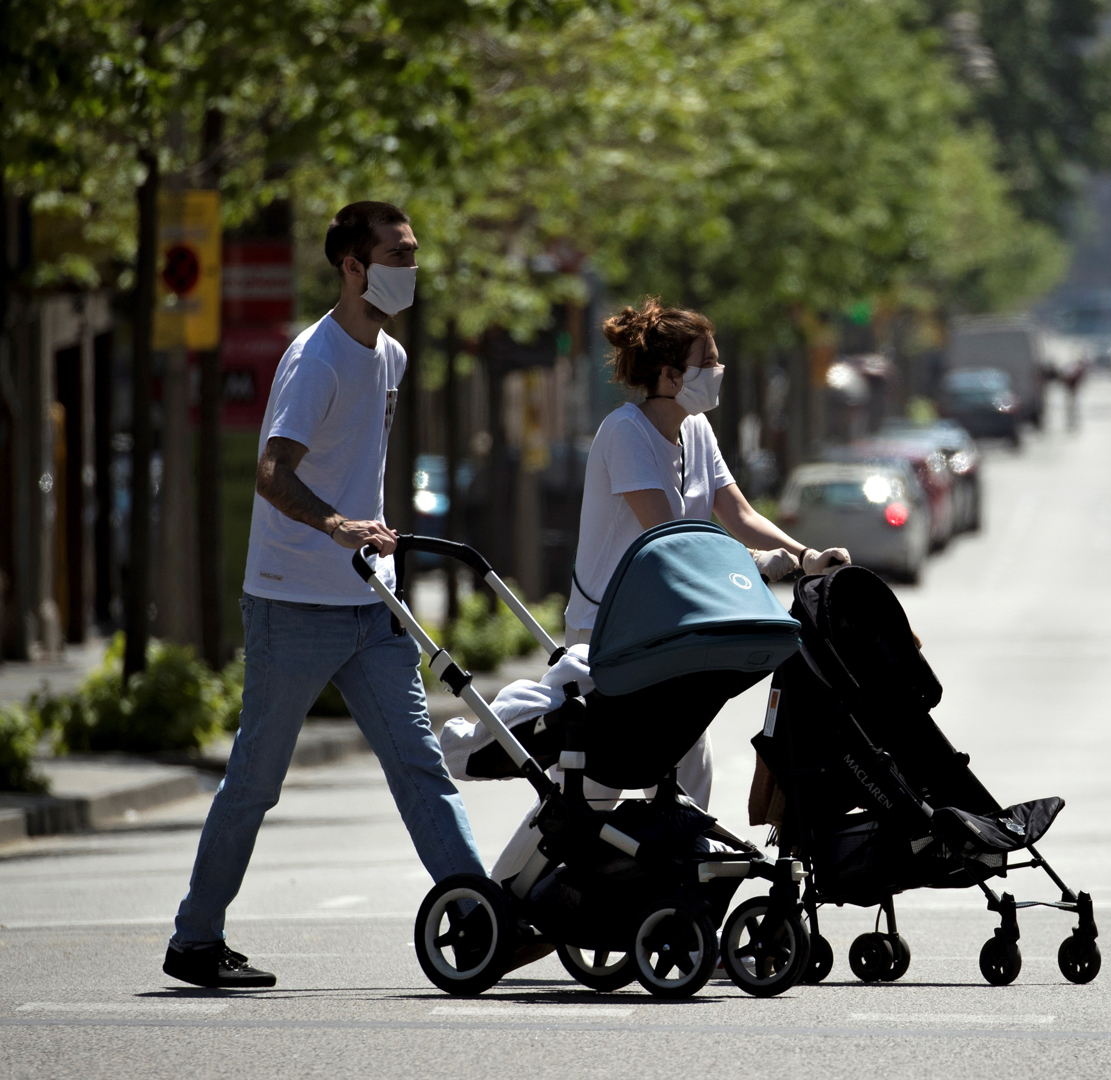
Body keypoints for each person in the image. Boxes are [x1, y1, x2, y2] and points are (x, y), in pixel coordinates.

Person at [163, 202, 487, 989]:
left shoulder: (392, 357)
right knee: (255, 782)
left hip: (371, 603)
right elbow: (274, 473)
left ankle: (482, 919)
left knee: (420, 767)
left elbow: (358, 463)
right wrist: (337, 524)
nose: (411, 267)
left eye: (413, 252)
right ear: (352, 266)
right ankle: (195, 940)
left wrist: (366, 536)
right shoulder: (317, 359)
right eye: (397, 255)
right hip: (292, 602)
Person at [561, 297, 848, 813]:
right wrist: (753, 564)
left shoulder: (695, 428)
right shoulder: (625, 432)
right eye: (708, 361)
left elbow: (739, 513)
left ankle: (679, 863)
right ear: (670, 375)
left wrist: (806, 557)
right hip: (606, 631)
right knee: (594, 792)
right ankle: (538, 864)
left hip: (666, 630)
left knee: (689, 773)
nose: (719, 370)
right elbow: (669, 540)